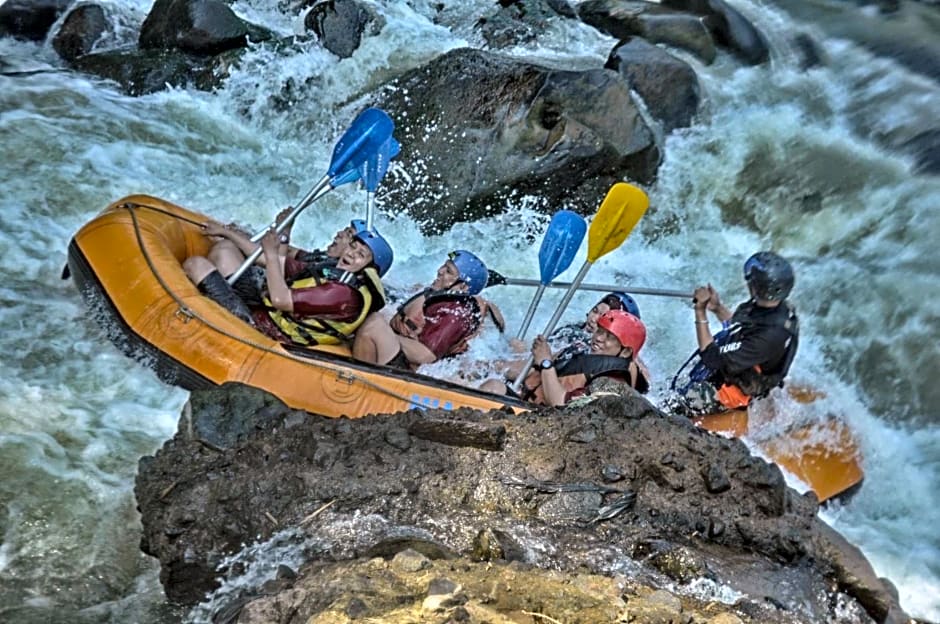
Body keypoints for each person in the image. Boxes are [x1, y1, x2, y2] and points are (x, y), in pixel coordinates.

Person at [184, 225, 394, 346]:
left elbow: (280, 299)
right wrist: (226, 232)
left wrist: (272, 253)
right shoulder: (332, 270)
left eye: (360, 255)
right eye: (353, 247)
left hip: (265, 332)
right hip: (264, 312)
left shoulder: (342, 294)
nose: (350, 254)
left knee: (196, 265)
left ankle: (191, 316)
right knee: (225, 249)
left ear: (370, 269)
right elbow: (269, 261)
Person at [670, 251, 799, 415]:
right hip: (743, 363)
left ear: (756, 287)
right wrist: (717, 308)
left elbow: (711, 358)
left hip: (736, 387)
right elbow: (740, 329)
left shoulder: (770, 335)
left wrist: (700, 311)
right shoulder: (774, 308)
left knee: (677, 407)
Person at [352, 250, 505, 369]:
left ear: (462, 286)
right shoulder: (440, 296)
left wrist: (386, 333)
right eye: (444, 265)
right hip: (401, 356)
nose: (440, 271)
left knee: (374, 324)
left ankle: (358, 382)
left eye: (449, 271)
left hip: (409, 373)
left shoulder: (456, 313)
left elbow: (426, 356)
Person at [481, 309, 648, 406]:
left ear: (625, 352)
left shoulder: (615, 380)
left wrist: (546, 362)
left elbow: (561, 404)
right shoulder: (588, 359)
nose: (598, 338)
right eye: (600, 331)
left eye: (610, 337)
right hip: (533, 408)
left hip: (549, 426)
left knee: (493, 389)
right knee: (493, 386)